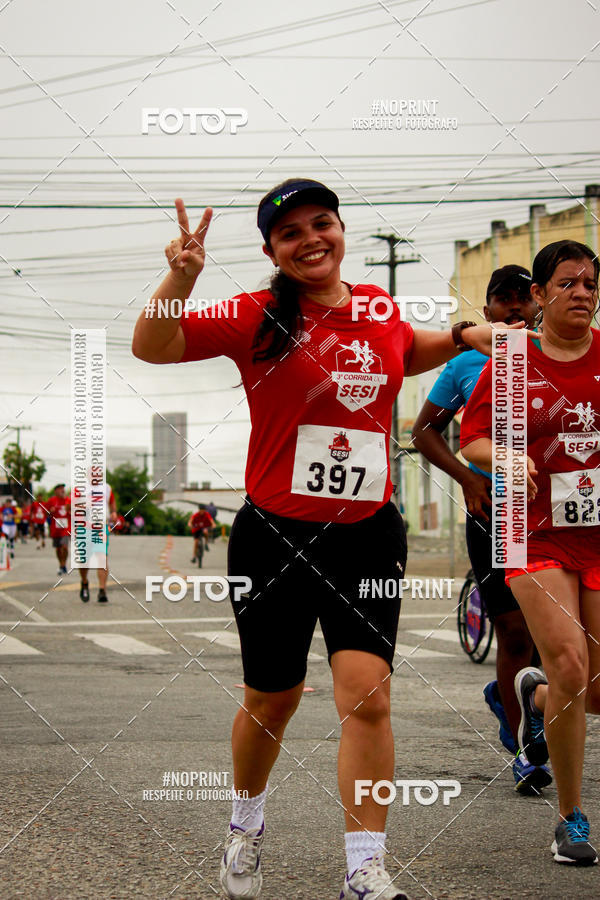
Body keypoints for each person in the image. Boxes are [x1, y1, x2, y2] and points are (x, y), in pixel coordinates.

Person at [132, 178, 533, 900]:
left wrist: (464, 336)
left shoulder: (376, 306)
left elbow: (405, 349)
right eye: (291, 233)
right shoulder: (257, 315)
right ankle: (245, 827)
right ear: (272, 252)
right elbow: (152, 345)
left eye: (323, 223)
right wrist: (181, 278)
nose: (311, 239)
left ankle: (363, 867)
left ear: (341, 230)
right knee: (272, 699)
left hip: (365, 537)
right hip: (274, 538)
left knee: (368, 698)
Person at [461, 239, 600, 865]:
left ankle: (535, 698)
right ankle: (571, 820)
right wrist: (506, 457)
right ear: (540, 295)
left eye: (590, 284)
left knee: (592, 690)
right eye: (568, 283)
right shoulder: (514, 362)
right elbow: (472, 440)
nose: (582, 293)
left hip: (596, 535)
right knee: (570, 663)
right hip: (529, 531)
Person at [412, 265, 550, 794]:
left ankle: (516, 701)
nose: (514, 308)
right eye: (502, 299)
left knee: (551, 636)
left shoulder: (560, 353)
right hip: (496, 512)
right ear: (487, 308)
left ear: (537, 302)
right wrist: (467, 478)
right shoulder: (467, 362)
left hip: (553, 514)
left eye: (522, 298)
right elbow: (424, 431)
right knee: (515, 632)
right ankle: (525, 752)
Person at [74, 481, 117, 603]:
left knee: (102, 558)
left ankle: (102, 590)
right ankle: (84, 582)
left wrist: (113, 512)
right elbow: (70, 507)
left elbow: (112, 502)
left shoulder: (107, 487)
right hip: (84, 528)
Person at [46, 484, 71, 575]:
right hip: (56, 528)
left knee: (65, 547)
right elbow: (46, 512)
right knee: (58, 549)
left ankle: (64, 564)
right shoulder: (51, 500)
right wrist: (50, 511)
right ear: (55, 491)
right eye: (60, 489)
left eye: (63, 489)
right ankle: (61, 564)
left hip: (66, 528)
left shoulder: (68, 500)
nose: (62, 490)